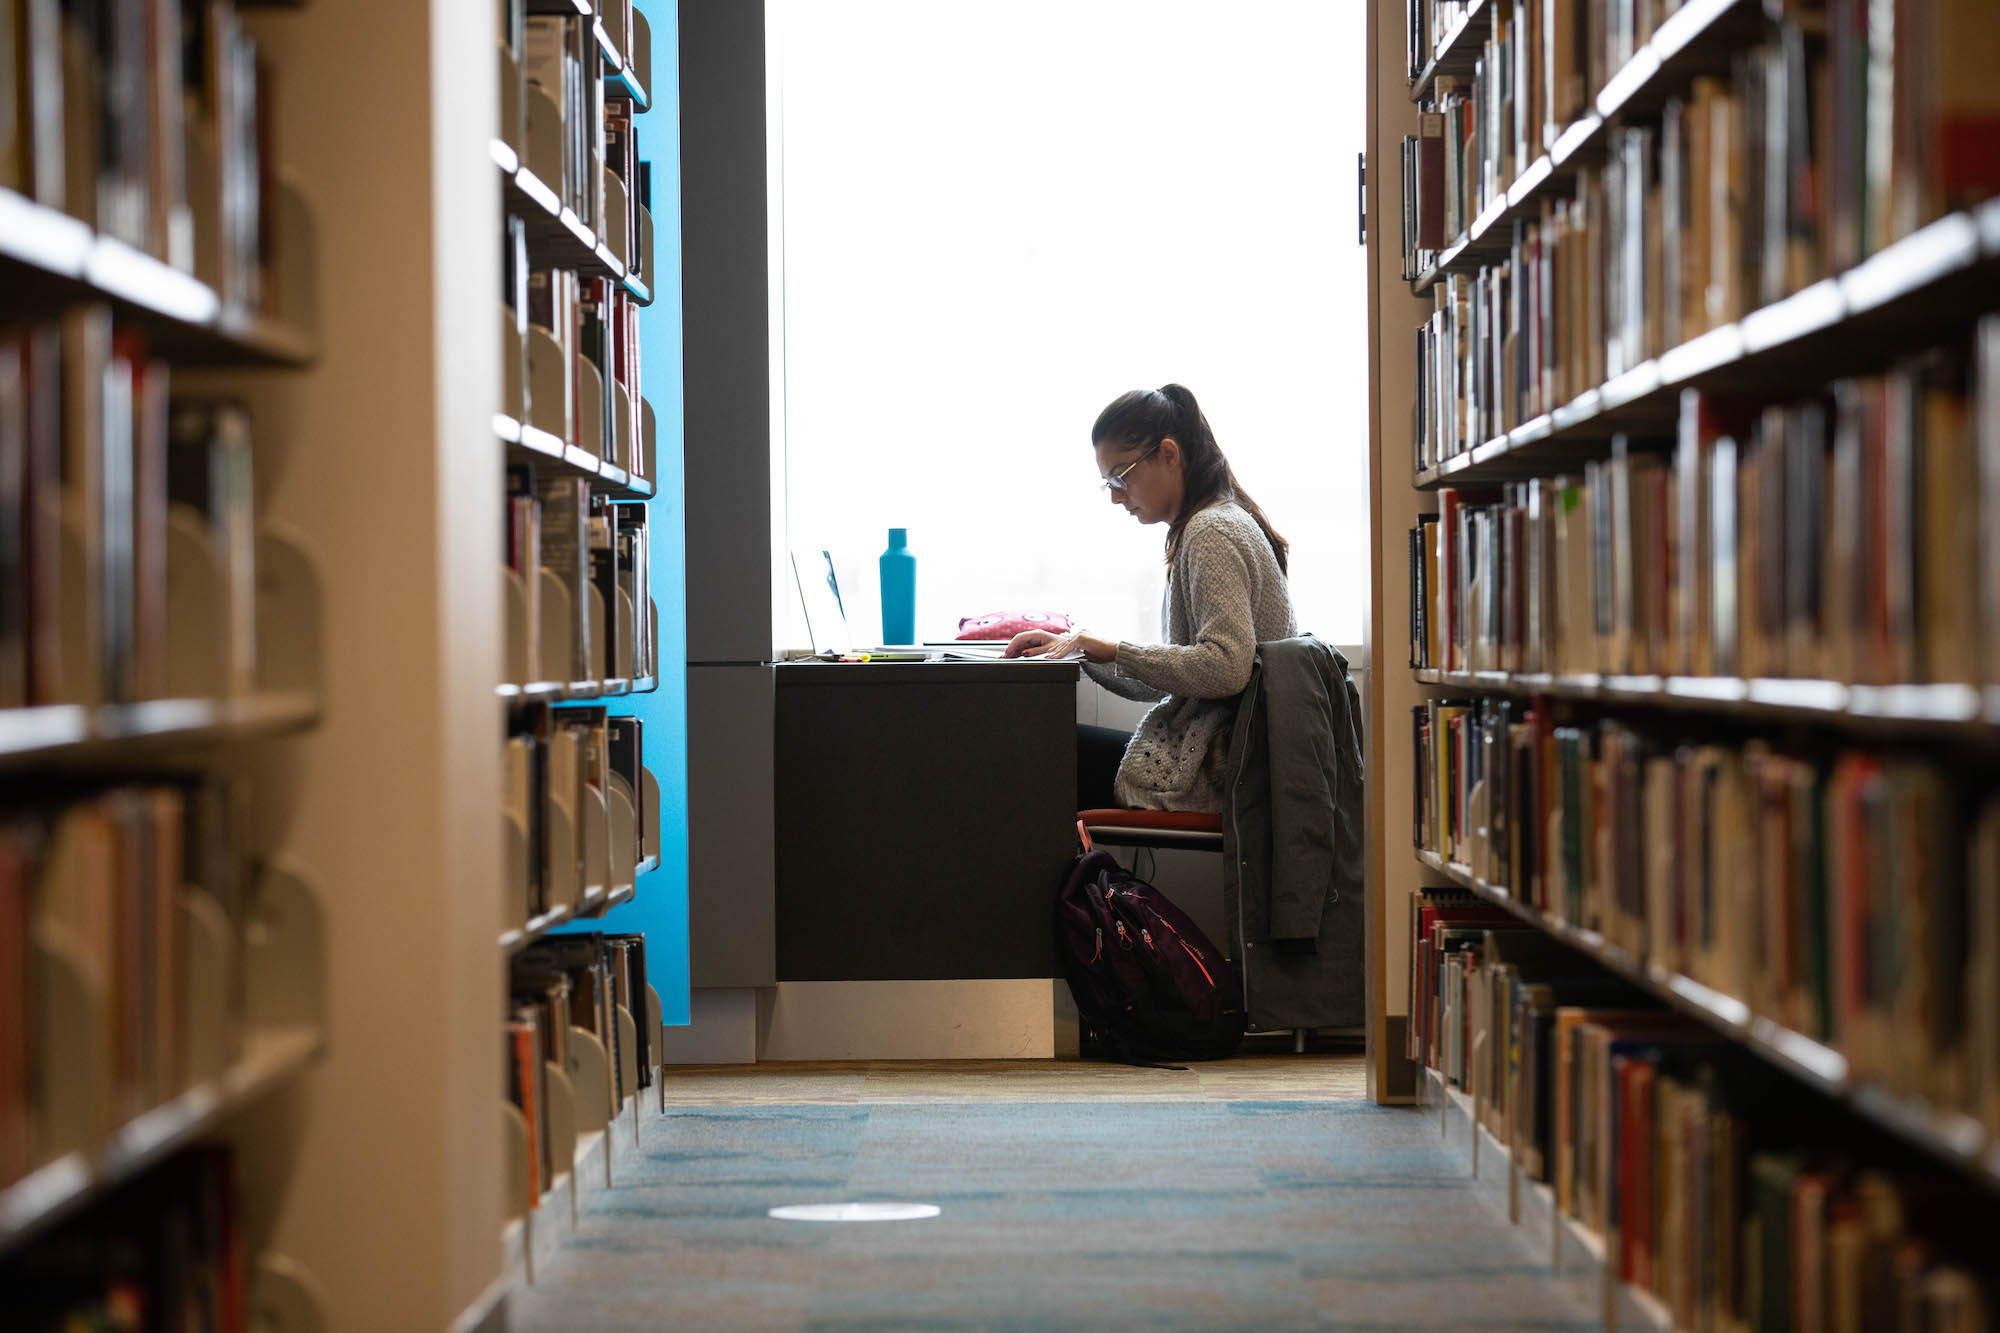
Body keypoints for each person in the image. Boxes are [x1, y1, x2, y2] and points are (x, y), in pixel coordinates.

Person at [1005, 383, 1296, 812]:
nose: (1116, 496)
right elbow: (1183, 671)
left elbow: (1226, 667)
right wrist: (1081, 651)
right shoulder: (1211, 523)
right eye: (1107, 483)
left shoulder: (1210, 532)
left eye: (1121, 476)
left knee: (1032, 753)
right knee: (1049, 751)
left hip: (1223, 768)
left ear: (1169, 455)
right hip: (1226, 757)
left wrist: (1114, 649)